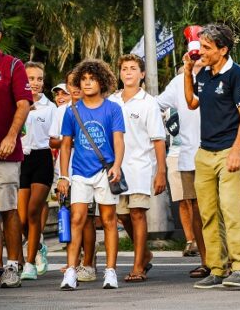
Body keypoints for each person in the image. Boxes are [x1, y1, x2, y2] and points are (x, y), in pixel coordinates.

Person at [183, 23, 240, 288]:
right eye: (200, 46)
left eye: (207, 47)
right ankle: (217, 268)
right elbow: (191, 103)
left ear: (223, 49)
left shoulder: (236, 75)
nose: (200, 51)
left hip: (229, 150)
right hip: (205, 152)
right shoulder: (203, 73)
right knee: (208, 213)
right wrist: (189, 72)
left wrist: (236, 151)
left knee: (231, 208)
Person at [57, 59, 125, 290]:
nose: (87, 83)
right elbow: (65, 146)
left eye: (92, 79)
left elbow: (118, 140)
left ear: (102, 81)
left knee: (108, 220)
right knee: (76, 219)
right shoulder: (72, 111)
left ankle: (110, 271)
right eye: (83, 79)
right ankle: (70, 272)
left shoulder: (113, 108)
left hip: (105, 172)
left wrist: (116, 165)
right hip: (80, 173)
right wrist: (63, 176)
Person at [110, 54, 167, 283]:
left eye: (133, 68)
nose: (128, 72)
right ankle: (145, 253)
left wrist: (161, 171)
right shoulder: (112, 101)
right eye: (124, 68)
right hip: (116, 168)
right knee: (122, 216)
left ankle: (138, 266)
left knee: (137, 214)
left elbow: (158, 139)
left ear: (142, 74)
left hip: (141, 167)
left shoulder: (148, 102)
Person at [0, 14, 32, 288]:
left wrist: (11, 135)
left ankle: (13, 265)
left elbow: (24, 104)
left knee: (7, 209)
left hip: (3, 152)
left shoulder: (12, 65)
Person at [157, 59, 208, 279]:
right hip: (187, 156)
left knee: (221, 211)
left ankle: (230, 261)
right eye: (194, 53)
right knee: (195, 210)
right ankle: (207, 262)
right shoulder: (179, 82)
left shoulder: (221, 75)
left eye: (203, 51)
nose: (198, 57)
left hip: (216, 153)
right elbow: (154, 105)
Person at [18, 61, 57, 280]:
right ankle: (39, 244)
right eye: (31, 78)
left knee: (34, 211)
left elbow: (55, 139)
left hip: (42, 158)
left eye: (39, 79)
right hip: (21, 159)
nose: (35, 83)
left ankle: (30, 263)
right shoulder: (16, 103)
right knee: (21, 219)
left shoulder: (50, 108)